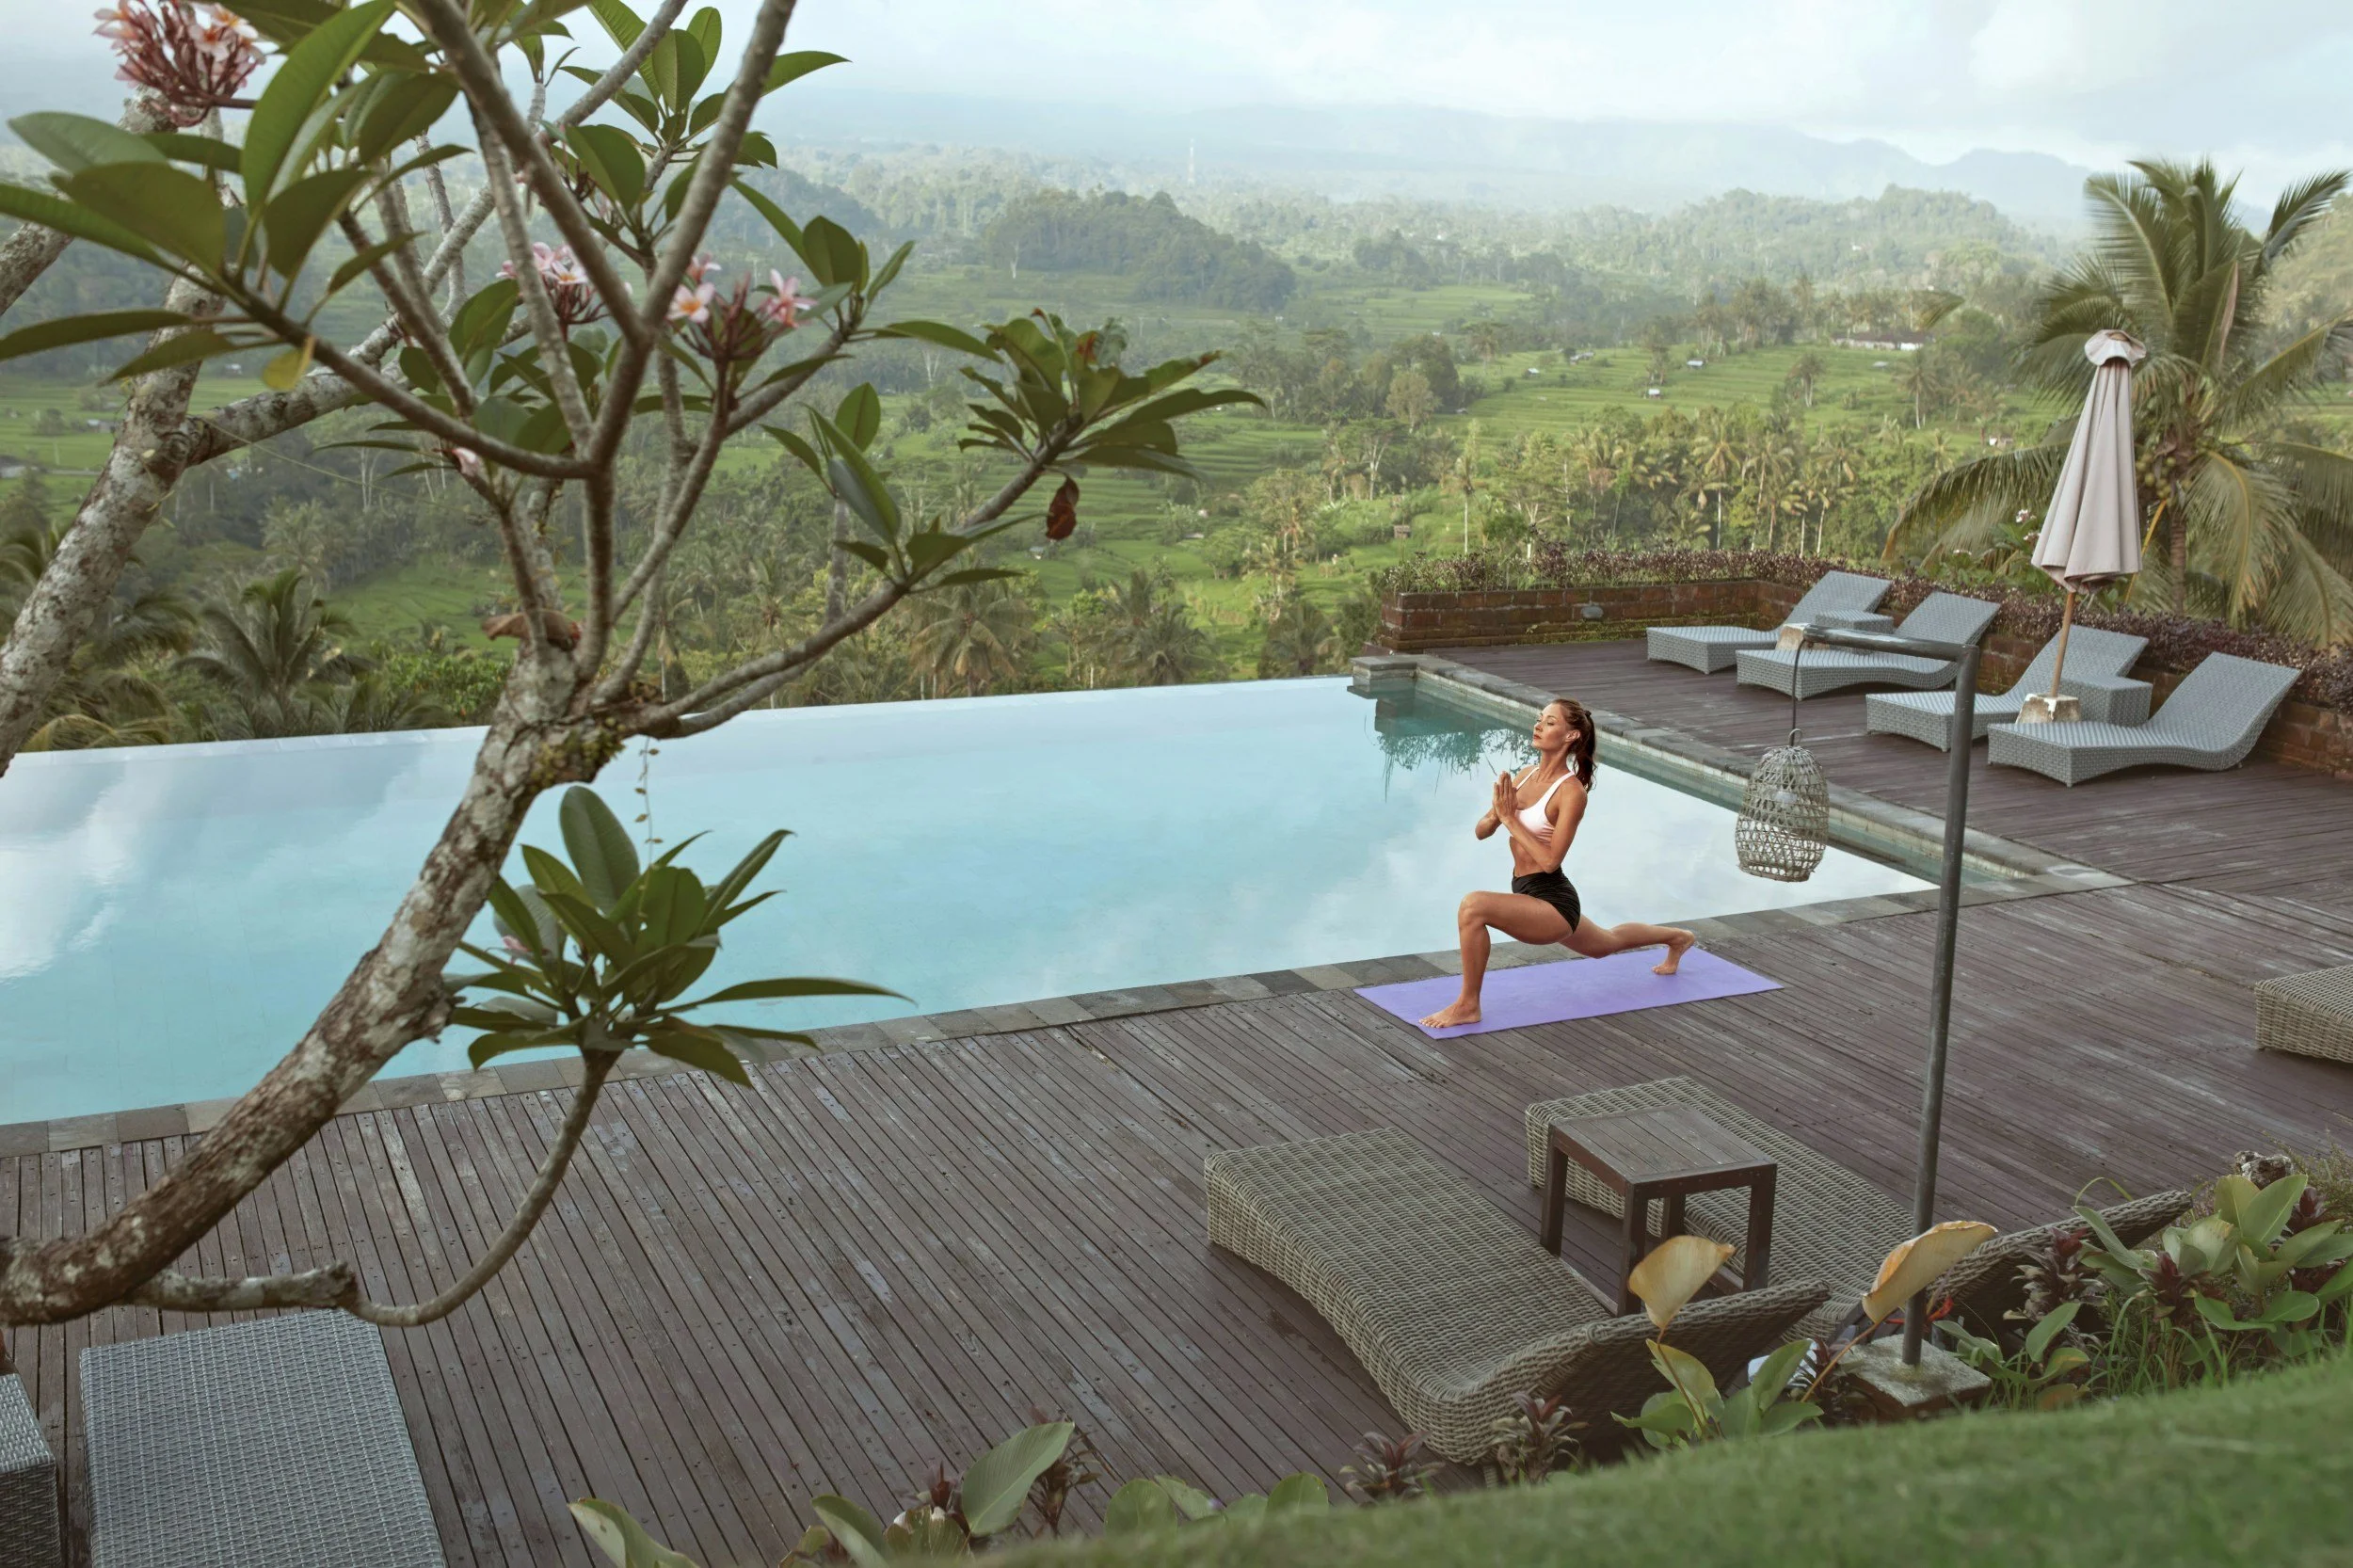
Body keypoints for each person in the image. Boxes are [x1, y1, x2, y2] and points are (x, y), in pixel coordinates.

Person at [1418, 696, 1695, 1030]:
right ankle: (1678, 937)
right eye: (1540, 719)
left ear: (1570, 736)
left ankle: (1467, 1004)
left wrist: (1510, 819)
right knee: (1604, 944)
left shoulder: (1571, 792)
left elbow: (1550, 861)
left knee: (1472, 906)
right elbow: (1480, 832)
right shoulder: (1523, 776)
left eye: (1550, 722)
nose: (1538, 725)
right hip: (1527, 893)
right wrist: (1495, 815)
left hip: (1553, 901)